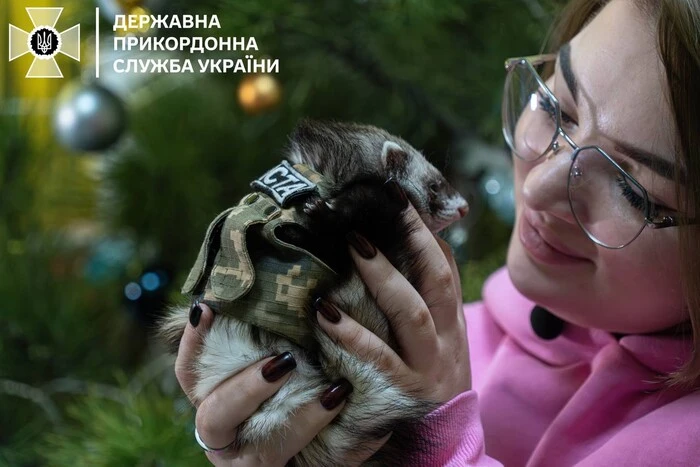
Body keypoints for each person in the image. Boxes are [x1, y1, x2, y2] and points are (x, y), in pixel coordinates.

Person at [175, 0, 700, 464]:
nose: (539, 186)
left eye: (634, 189)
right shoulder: (440, 334)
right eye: (555, 106)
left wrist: (436, 448)